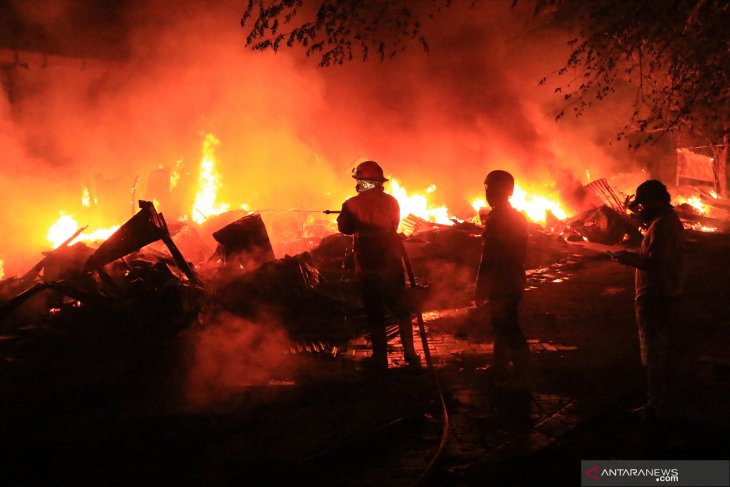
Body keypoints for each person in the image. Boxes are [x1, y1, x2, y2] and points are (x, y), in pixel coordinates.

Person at [337, 160, 420, 369]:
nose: (357, 184)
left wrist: (344, 216)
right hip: (393, 265)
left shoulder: (351, 204)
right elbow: (394, 225)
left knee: (375, 313)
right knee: (401, 310)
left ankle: (380, 357)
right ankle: (411, 354)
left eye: (359, 180)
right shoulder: (392, 202)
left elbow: (345, 228)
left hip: (368, 269)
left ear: (364, 182)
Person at [610, 179, 683, 416]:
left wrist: (627, 258)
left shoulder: (662, 226)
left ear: (655, 201)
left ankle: (655, 403)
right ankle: (663, 398)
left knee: (653, 350)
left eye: (644, 204)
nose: (642, 209)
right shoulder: (666, 222)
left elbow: (655, 262)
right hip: (662, 292)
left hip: (655, 294)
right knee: (660, 347)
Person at [475, 170, 530, 389]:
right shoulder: (517, 216)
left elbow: (490, 256)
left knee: (508, 326)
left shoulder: (497, 218)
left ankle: (522, 373)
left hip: (502, 280)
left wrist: (481, 286)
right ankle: (499, 365)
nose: (487, 192)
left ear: (495, 190)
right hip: (514, 277)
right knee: (501, 323)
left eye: (489, 188)